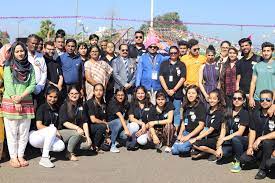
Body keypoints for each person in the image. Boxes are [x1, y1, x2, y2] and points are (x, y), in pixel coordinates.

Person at [2, 41, 36, 168]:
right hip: (10, 102)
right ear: (13, 53)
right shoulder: (8, 66)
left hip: (26, 101)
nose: (20, 53)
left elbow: (33, 84)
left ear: (25, 52)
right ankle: (13, 157)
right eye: (17, 51)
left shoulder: (30, 66)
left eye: (22, 51)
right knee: (12, 132)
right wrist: (15, 100)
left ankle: (21, 155)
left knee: (23, 132)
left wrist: (21, 97)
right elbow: (8, 84)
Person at [240, 90, 275, 180]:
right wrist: (250, 147)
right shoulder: (255, 113)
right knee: (244, 159)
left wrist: (260, 138)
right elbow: (252, 130)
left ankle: (263, 169)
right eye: (262, 99)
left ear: (272, 100)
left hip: (271, 144)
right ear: (259, 101)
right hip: (259, 145)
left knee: (267, 143)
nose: (265, 102)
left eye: (268, 99)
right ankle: (260, 161)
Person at [29, 86, 65, 168]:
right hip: (34, 136)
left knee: (61, 146)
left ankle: (43, 149)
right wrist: (54, 130)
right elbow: (38, 126)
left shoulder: (56, 108)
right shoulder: (42, 107)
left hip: (47, 136)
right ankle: (44, 158)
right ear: (46, 96)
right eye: (50, 96)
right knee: (52, 129)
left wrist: (56, 131)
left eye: (55, 97)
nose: (53, 99)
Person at [215, 90, 249, 173]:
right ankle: (232, 155)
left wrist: (224, 139)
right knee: (223, 153)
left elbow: (240, 132)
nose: (236, 100)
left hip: (241, 141)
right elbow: (223, 129)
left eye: (239, 98)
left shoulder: (245, 113)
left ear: (244, 100)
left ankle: (238, 161)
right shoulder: (227, 111)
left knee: (235, 139)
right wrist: (219, 145)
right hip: (229, 140)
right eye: (234, 98)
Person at [58, 85, 92, 161]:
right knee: (77, 134)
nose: (74, 95)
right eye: (72, 93)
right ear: (68, 95)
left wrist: (88, 137)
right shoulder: (64, 106)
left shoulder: (81, 106)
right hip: (63, 133)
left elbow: (85, 122)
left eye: (76, 93)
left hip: (76, 133)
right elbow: (64, 122)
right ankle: (69, 153)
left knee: (87, 145)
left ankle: (70, 146)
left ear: (79, 94)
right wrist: (77, 128)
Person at [189, 89, 224, 161]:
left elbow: (210, 130)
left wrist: (197, 138)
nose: (211, 100)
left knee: (195, 144)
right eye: (210, 98)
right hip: (206, 137)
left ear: (218, 100)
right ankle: (206, 152)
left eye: (214, 99)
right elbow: (205, 126)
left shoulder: (219, 113)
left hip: (214, 138)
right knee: (193, 155)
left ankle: (215, 153)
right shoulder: (209, 110)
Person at [171, 85, 206, 155]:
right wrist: (180, 134)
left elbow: (201, 126)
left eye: (193, 93)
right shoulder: (186, 105)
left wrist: (188, 137)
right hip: (186, 132)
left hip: (195, 134)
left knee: (182, 149)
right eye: (189, 93)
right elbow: (184, 122)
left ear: (197, 95)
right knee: (174, 150)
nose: (191, 95)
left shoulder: (200, 106)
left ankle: (194, 148)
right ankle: (187, 146)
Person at [135, 34, 169, 105]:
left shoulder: (161, 57)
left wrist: (164, 48)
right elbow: (139, 73)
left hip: (157, 86)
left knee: (157, 107)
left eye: (155, 47)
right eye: (151, 46)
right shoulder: (142, 58)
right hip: (145, 86)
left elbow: (173, 54)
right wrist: (137, 87)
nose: (153, 48)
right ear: (147, 47)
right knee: (146, 106)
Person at [159, 46, 186, 132]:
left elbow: (183, 78)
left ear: (178, 54)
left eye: (175, 53)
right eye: (171, 53)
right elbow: (161, 76)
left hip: (177, 92)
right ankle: (165, 130)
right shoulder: (164, 63)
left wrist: (174, 90)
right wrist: (167, 90)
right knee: (165, 111)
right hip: (165, 92)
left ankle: (175, 131)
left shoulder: (181, 64)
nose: (173, 54)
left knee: (176, 112)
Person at [249, 42, 275, 109]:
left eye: (268, 51)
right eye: (264, 51)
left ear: (272, 51)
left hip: (270, 100)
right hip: (258, 99)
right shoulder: (257, 66)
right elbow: (253, 82)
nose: (266, 53)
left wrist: (273, 102)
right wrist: (251, 98)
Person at [86, 83, 109, 152]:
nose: (98, 92)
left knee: (106, 147)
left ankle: (97, 142)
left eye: (100, 90)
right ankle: (94, 146)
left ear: (103, 92)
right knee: (102, 126)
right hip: (89, 127)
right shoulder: (90, 102)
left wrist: (107, 135)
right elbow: (93, 120)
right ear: (93, 91)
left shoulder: (103, 104)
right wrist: (105, 124)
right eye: (96, 90)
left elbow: (104, 118)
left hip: (98, 127)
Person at [107, 88, 130, 153]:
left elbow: (127, 117)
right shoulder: (112, 103)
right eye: (118, 95)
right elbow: (120, 116)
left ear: (125, 96)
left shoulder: (126, 104)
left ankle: (117, 139)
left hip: (120, 125)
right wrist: (126, 129)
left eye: (122, 95)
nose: (120, 97)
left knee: (125, 136)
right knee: (119, 121)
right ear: (115, 96)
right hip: (110, 125)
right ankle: (112, 144)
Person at [27, 34, 47, 107]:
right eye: (32, 43)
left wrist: (40, 86)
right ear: (27, 43)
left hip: (39, 89)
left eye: (36, 44)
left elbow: (44, 72)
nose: (34, 45)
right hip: (26, 89)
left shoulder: (40, 56)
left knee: (38, 110)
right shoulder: (23, 54)